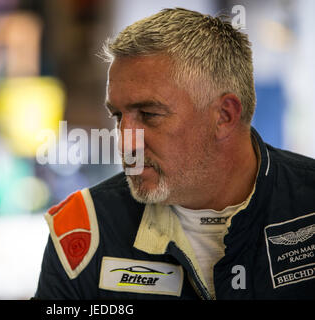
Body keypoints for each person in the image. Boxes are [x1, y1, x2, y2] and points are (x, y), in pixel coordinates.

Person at [34, 8, 315, 299]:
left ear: (225, 115)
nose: (124, 144)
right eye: (118, 116)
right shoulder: (83, 228)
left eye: (149, 114)